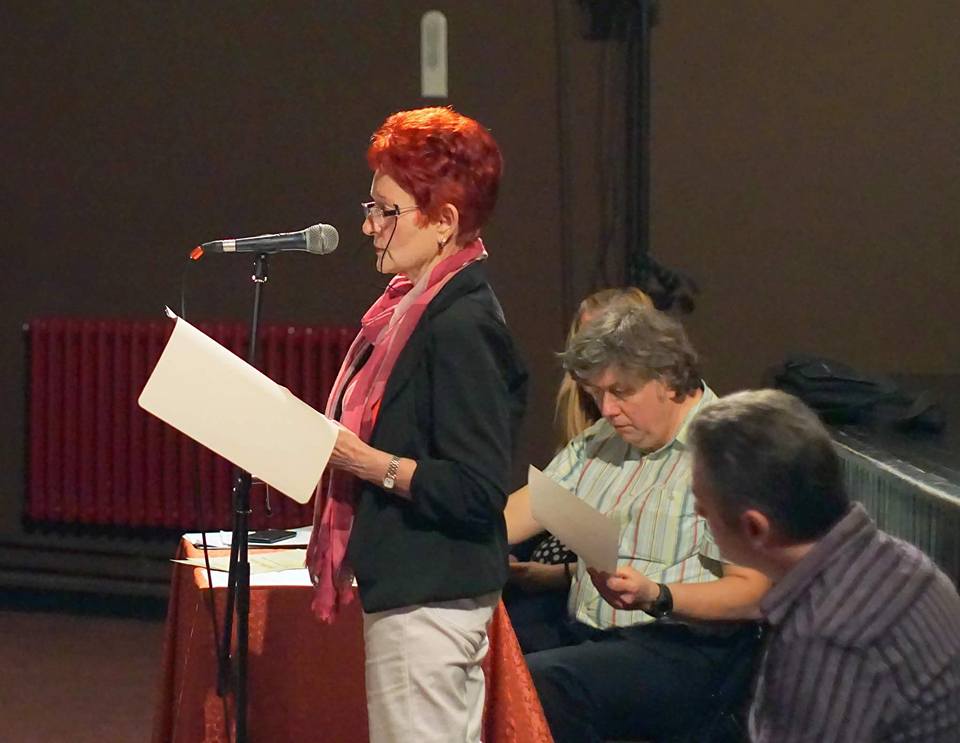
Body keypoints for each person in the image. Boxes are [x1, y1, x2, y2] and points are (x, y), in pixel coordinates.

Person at [305, 106, 528, 743]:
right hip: (416, 589)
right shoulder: (415, 309)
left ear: (444, 222)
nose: (369, 226)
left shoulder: (460, 324)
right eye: (370, 207)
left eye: (387, 211)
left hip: (431, 594)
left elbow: (476, 489)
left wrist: (362, 461)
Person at [506, 299, 770, 743]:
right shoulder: (602, 441)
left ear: (667, 379)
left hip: (683, 648)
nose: (607, 409)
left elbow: (753, 593)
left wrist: (658, 595)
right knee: (486, 654)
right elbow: (521, 511)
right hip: (594, 637)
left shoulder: (730, 453)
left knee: (541, 684)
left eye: (621, 391)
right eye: (596, 394)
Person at [688, 389, 960, 742]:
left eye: (703, 506)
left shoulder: (823, 638)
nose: (699, 513)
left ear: (755, 528)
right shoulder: (904, 561)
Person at [505, 287, 653, 653]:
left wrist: (554, 576)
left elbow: (640, 556)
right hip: (579, 579)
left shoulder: (683, 437)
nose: (608, 406)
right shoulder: (592, 432)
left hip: (625, 614)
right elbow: (532, 507)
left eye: (606, 339)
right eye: (585, 339)